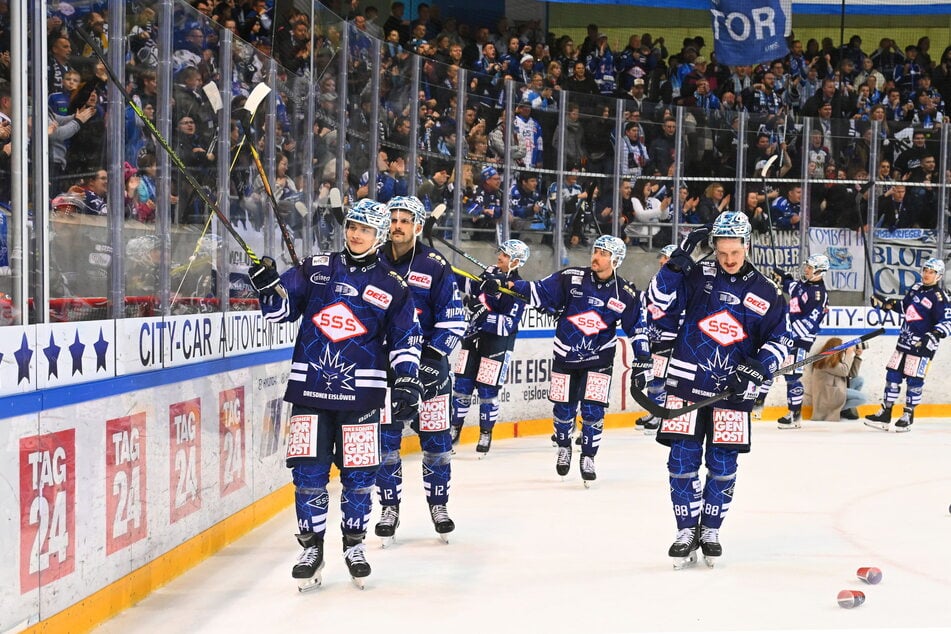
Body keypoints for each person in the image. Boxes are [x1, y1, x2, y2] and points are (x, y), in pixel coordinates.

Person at [248, 199, 423, 590]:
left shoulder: (391, 284)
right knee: (308, 475)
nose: (355, 234)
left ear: (378, 236)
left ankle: (354, 545)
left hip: (363, 397)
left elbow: (406, 336)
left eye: (364, 229)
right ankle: (311, 547)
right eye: (352, 226)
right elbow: (279, 311)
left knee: (359, 477)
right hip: (310, 391)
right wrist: (266, 286)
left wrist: (408, 377)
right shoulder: (317, 268)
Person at [646, 212, 789, 567]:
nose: (727, 260)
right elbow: (656, 306)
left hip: (732, 393)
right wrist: (672, 268)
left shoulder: (766, 290)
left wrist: (760, 366)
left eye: (734, 253)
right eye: (721, 253)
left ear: (746, 246)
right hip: (685, 384)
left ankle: (710, 529)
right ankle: (685, 530)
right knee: (681, 462)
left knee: (723, 465)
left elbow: (781, 340)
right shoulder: (696, 275)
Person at [507, 235, 652, 485]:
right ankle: (564, 446)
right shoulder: (571, 276)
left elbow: (637, 327)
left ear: (616, 260)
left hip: (600, 359)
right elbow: (538, 292)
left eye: (603, 253)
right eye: (596, 250)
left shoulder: (625, 292)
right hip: (565, 356)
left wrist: (643, 357)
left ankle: (588, 456)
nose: (596, 256)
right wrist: (507, 284)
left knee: (593, 411)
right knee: (563, 411)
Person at [375, 196, 467, 544]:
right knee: (385, 446)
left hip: (429, 370)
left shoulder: (434, 264)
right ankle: (389, 507)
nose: (397, 225)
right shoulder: (373, 262)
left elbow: (454, 320)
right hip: (383, 370)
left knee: (438, 445)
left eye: (404, 220)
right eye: (392, 219)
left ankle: (439, 505)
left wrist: (428, 360)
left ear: (417, 226)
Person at [450, 240, 530, 454]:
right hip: (473, 337)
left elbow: (508, 325)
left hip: (497, 343)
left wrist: (482, 312)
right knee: (462, 387)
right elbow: (472, 286)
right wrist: (447, 274)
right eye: (501, 253)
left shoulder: (519, 289)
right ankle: (454, 429)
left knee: (487, 390)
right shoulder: (491, 272)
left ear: (515, 261)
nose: (499, 257)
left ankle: (486, 432)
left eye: (504, 255)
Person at [865, 258, 951, 432]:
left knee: (914, 380)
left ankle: (908, 414)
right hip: (904, 341)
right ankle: (886, 412)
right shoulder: (916, 288)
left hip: (922, 346)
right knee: (892, 377)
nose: (927, 274)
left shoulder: (939, 298)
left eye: (931, 272)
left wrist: (932, 335)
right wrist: (887, 304)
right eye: (925, 270)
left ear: (939, 276)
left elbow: (947, 322)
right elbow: (906, 308)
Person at [759, 254, 830, 429]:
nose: (806, 269)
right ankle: (757, 402)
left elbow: (808, 323)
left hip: (799, 339)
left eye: (810, 268)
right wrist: (782, 277)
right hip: (787, 335)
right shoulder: (803, 285)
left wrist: (789, 335)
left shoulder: (818, 296)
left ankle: (794, 414)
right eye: (806, 265)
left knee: (792, 376)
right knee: (769, 366)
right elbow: (791, 287)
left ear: (820, 271)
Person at [635, 244, 678, 434]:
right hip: (655, 335)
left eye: (665, 258)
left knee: (660, 377)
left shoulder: (678, 282)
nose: (661, 260)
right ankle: (653, 411)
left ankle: (660, 415)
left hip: (668, 339)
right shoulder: (657, 279)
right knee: (652, 375)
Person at [810, 337, 866, 421]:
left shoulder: (834, 360)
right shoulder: (825, 360)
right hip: (828, 395)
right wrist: (849, 354)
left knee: (859, 380)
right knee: (862, 398)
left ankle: (844, 410)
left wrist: (856, 356)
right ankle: (837, 410)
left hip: (835, 390)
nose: (843, 351)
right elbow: (844, 371)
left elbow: (852, 375)